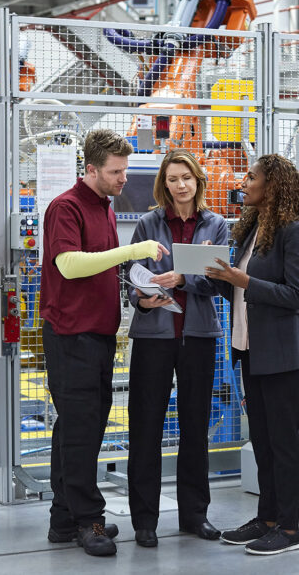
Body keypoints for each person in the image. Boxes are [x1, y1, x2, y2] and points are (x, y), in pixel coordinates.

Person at [40, 128, 167, 557]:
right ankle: (88, 518)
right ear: (90, 169)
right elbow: (71, 265)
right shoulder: (66, 208)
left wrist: (145, 285)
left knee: (83, 426)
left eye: (125, 170)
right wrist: (133, 253)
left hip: (97, 333)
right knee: (80, 428)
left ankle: (63, 518)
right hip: (70, 334)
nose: (123, 179)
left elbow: (102, 269)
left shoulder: (105, 209)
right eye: (116, 172)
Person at [204, 154, 299, 556]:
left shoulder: (294, 231)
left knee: (283, 444)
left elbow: (294, 295)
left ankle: (289, 530)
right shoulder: (252, 229)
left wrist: (243, 279)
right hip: (250, 351)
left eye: (251, 176)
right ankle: (266, 518)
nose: (243, 181)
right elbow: (242, 294)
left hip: (283, 357)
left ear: (272, 185)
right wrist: (218, 276)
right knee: (263, 442)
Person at [125, 149, 230, 548]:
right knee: (146, 427)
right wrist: (141, 297)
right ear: (163, 185)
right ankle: (145, 521)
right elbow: (130, 277)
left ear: (197, 180)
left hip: (198, 337)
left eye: (186, 177)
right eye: (172, 179)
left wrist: (181, 280)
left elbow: (219, 280)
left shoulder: (216, 225)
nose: (180, 185)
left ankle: (194, 515)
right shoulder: (148, 224)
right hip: (154, 337)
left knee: (194, 427)